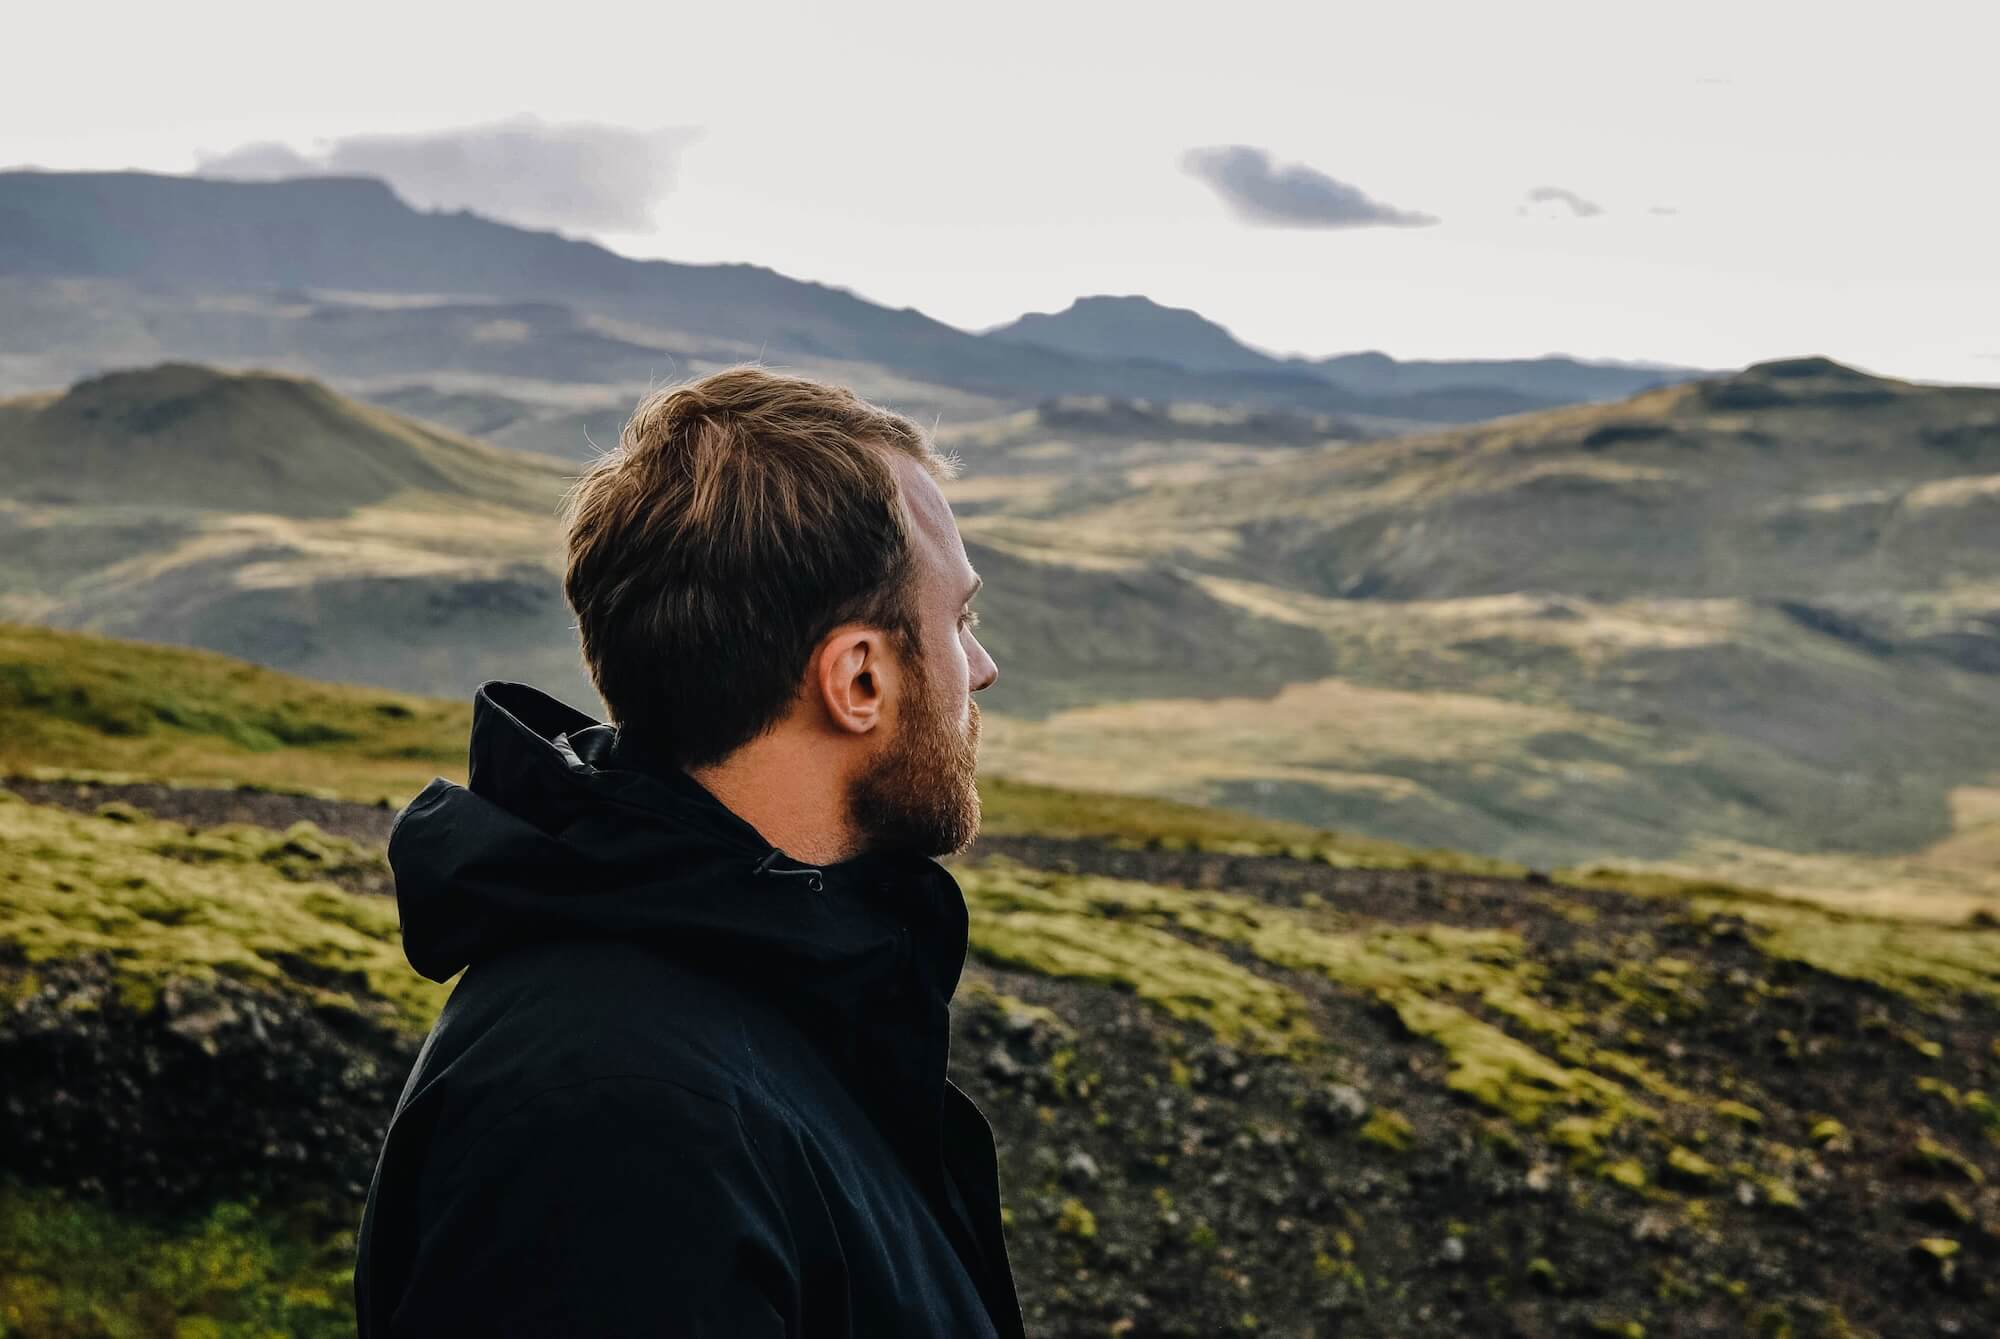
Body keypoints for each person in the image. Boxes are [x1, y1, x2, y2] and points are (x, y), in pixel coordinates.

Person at [352, 366, 1022, 1337]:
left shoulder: (776, 990)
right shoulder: (615, 1123)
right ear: (858, 679)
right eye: (958, 622)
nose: (982, 668)